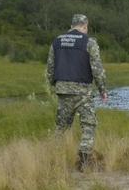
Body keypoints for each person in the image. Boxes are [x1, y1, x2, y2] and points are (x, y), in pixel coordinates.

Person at [46, 13, 108, 171]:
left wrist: (55, 85)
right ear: (85, 26)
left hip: (63, 90)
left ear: (72, 25)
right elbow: (97, 68)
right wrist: (102, 89)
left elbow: (50, 69)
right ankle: (84, 161)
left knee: (62, 126)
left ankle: (54, 159)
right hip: (83, 91)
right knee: (88, 124)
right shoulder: (89, 41)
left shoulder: (57, 40)